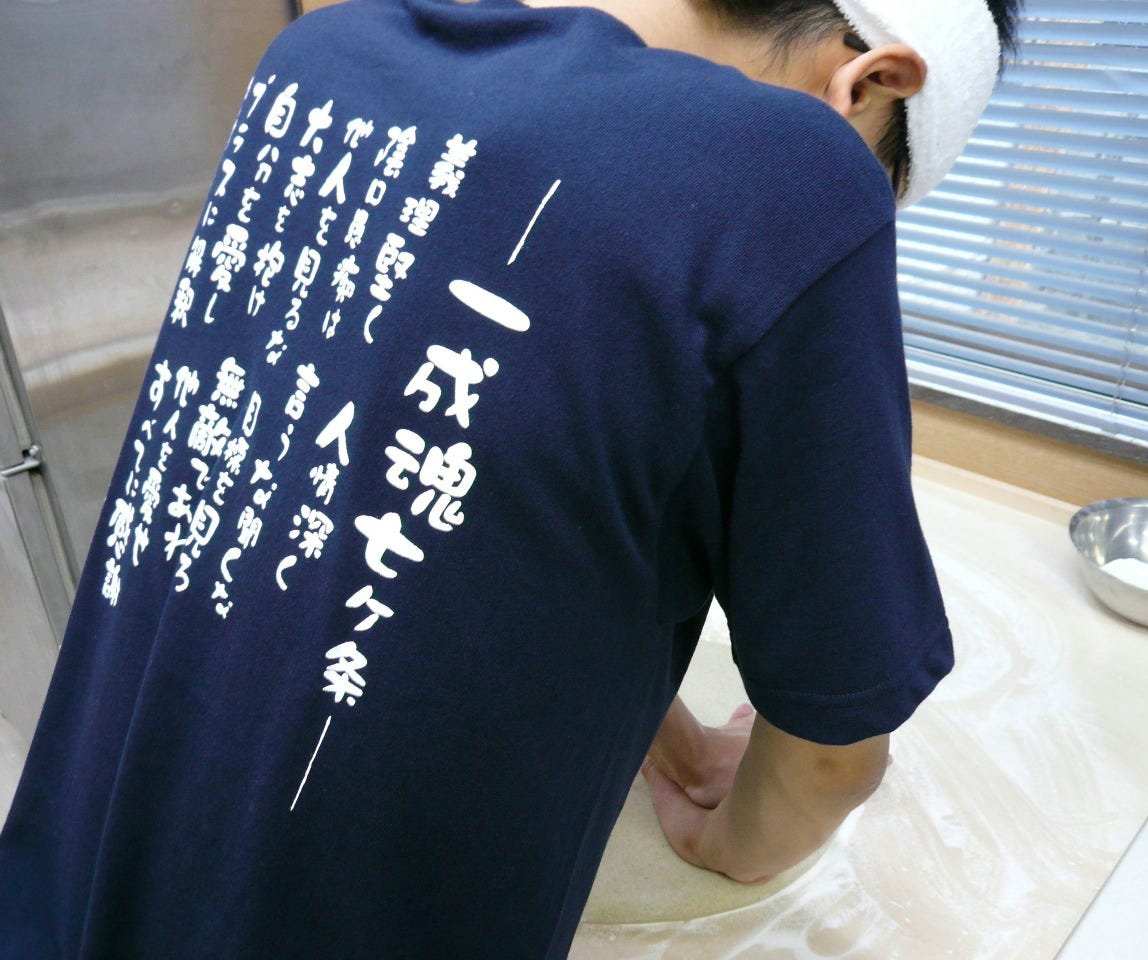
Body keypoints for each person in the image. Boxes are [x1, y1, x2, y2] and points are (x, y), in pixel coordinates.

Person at [0, 0, 1017, 955]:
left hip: (74, 874)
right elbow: (833, 750)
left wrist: (660, 728)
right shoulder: (792, 174)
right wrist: (730, 840)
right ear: (868, 82)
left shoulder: (327, 52)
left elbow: (459, 511)